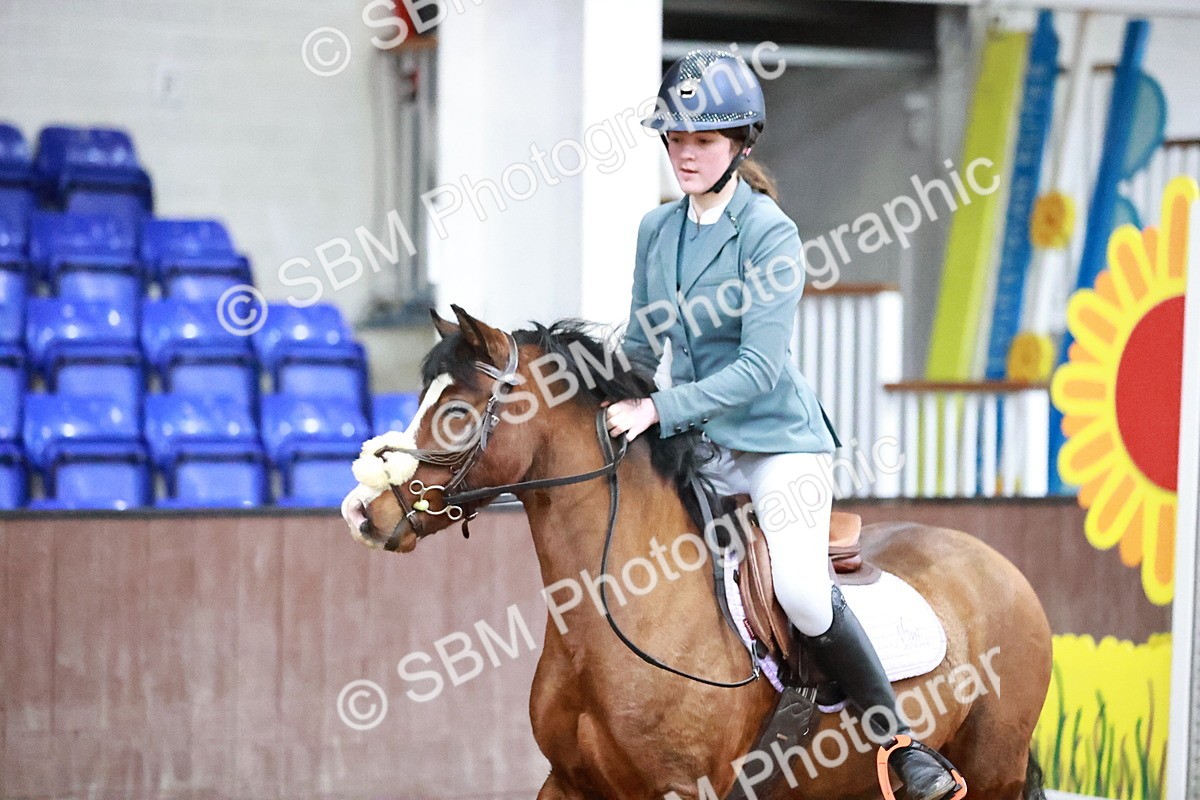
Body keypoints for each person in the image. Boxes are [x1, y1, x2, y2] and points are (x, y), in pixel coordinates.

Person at [606, 50, 961, 800]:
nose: (685, 153)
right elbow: (639, 346)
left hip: (776, 446)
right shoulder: (655, 230)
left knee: (800, 589)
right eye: (675, 139)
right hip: (696, 445)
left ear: (741, 144)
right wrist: (589, 392)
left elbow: (758, 370)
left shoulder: (770, 235)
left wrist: (657, 407)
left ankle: (897, 742)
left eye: (702, 140)